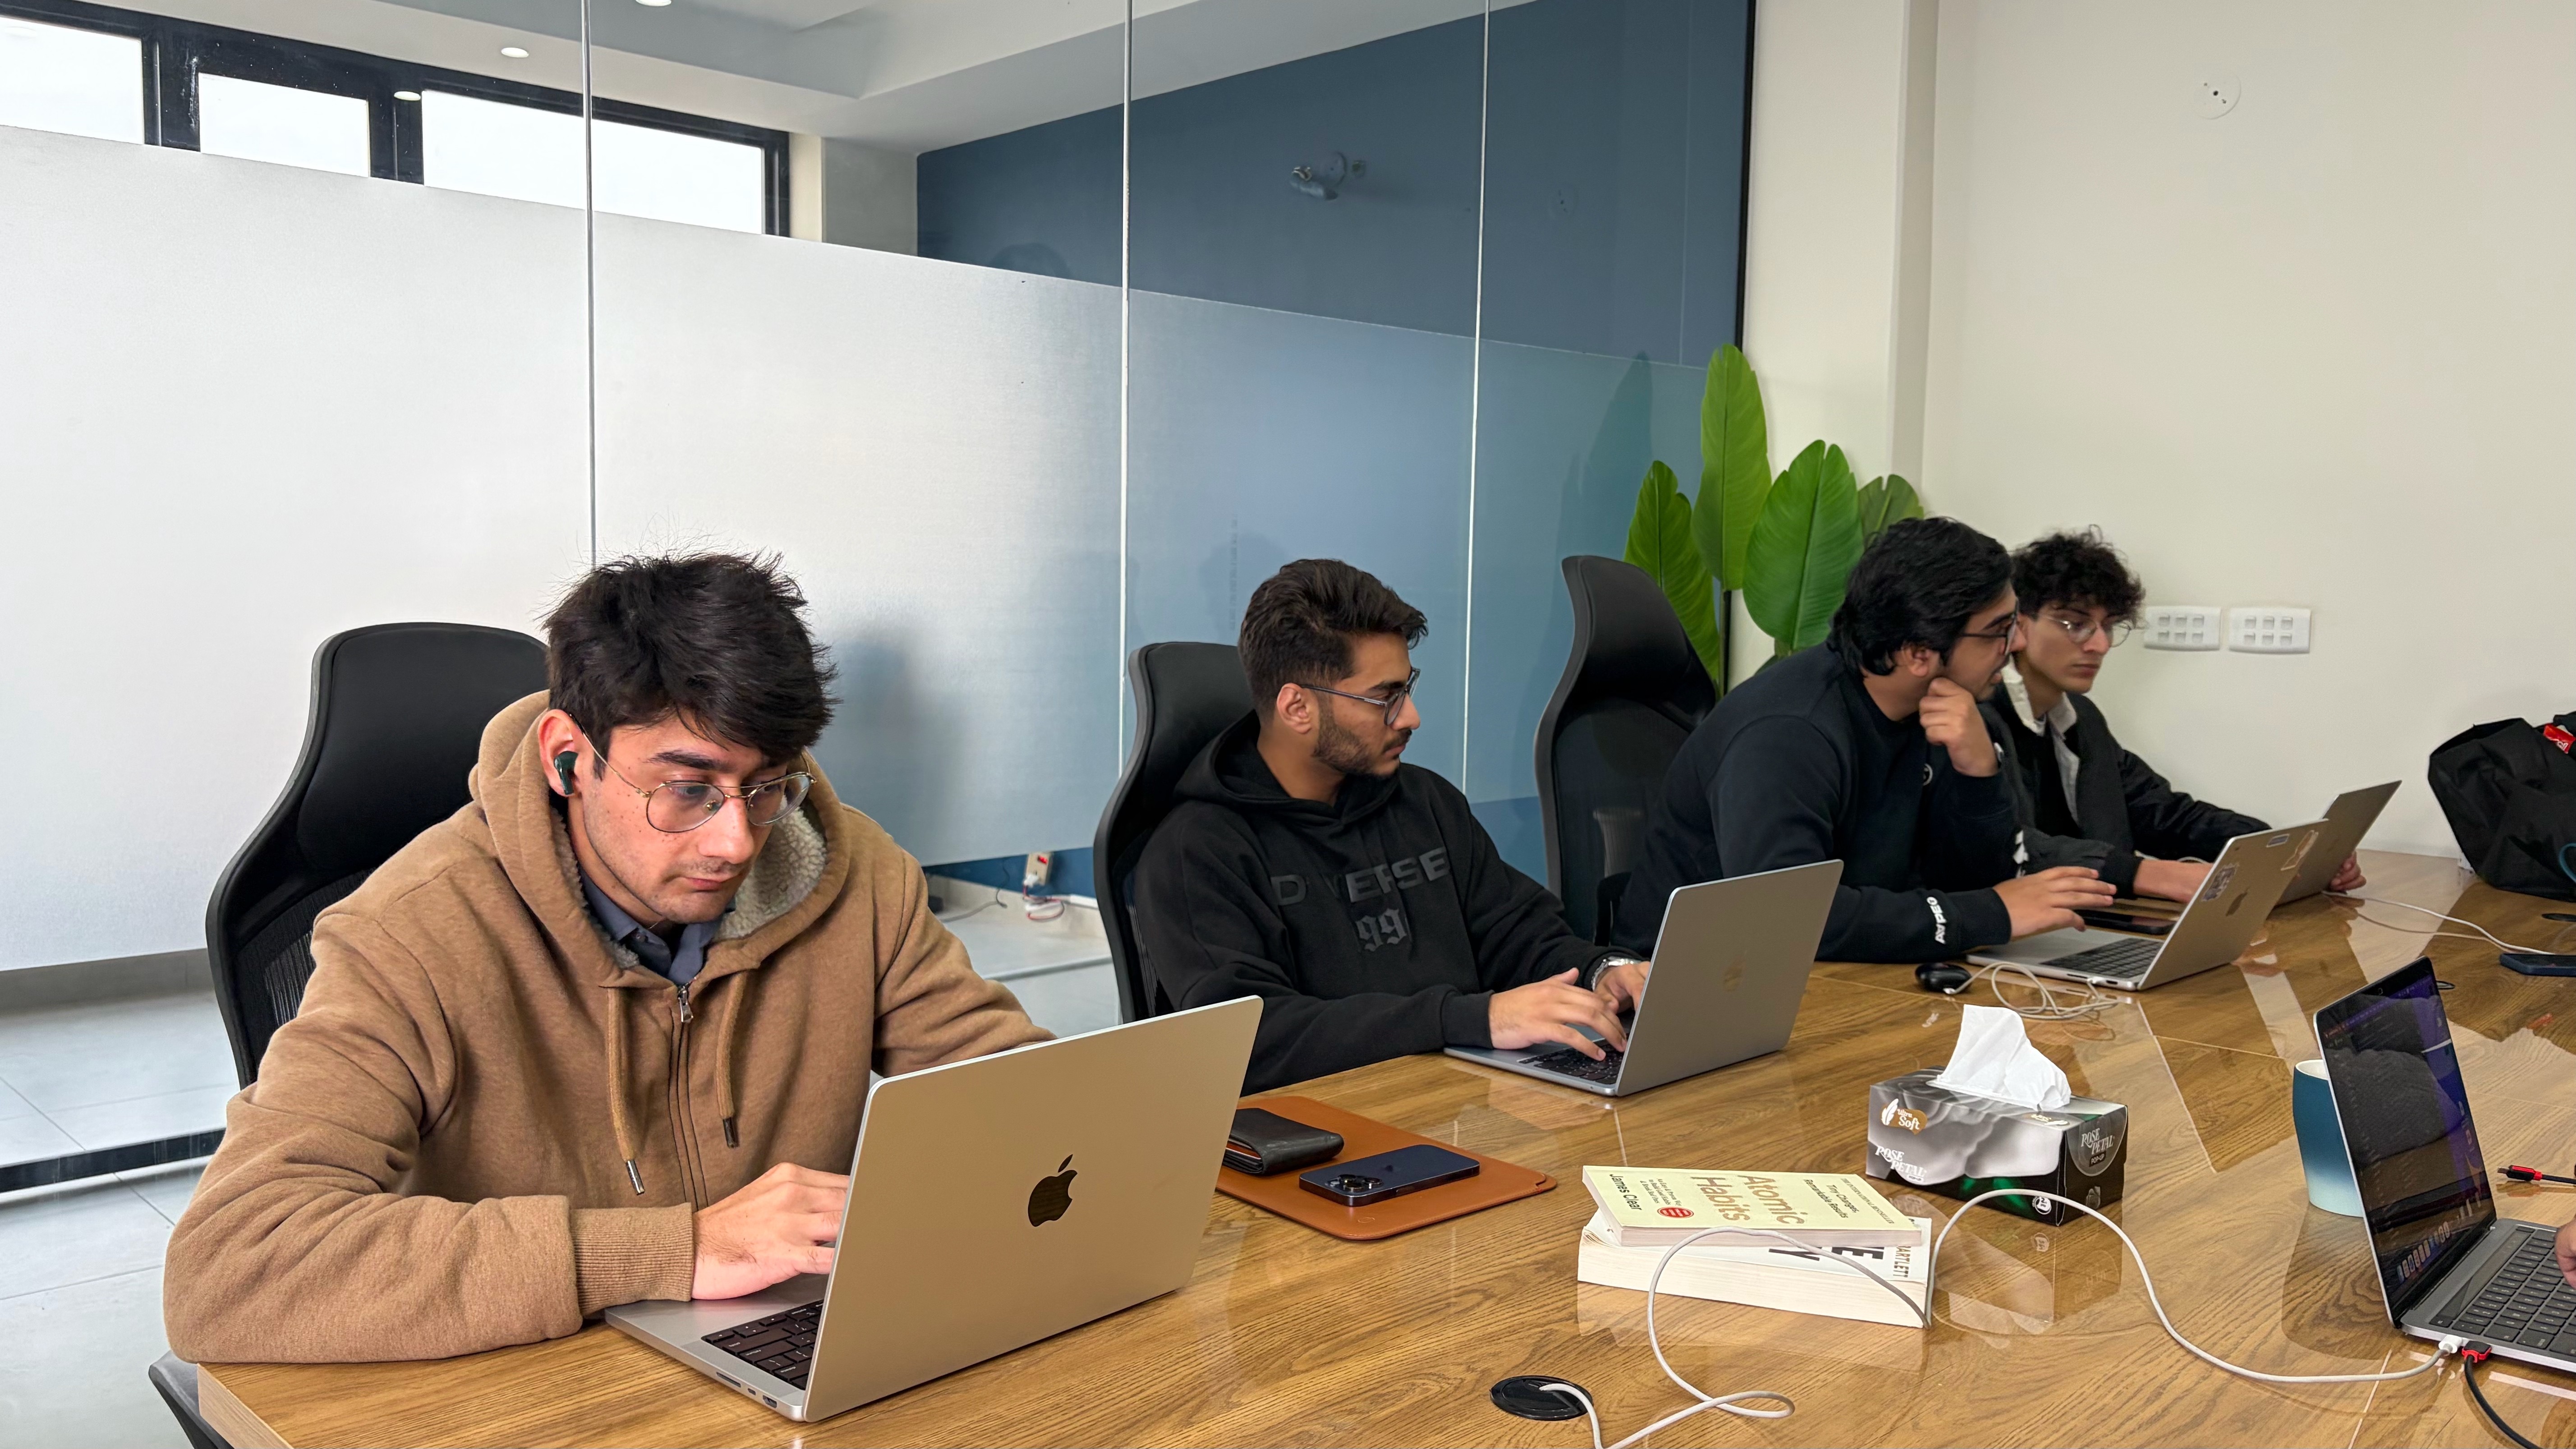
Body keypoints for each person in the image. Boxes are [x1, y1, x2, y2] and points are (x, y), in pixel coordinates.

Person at [163, 553, 1047, 1364]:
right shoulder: (412, 934)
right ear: (567, 758)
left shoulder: (854, 875)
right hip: (534, 1379)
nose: (737, 840)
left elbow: (1020, 1097)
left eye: (768, 785)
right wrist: (676, 1249)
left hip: (790, 1359)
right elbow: (232, 1268)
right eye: (687, 789)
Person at [1134, 559, 1650, 1093]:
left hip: (1461, 1104)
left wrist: (1601, 971)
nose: (1410, 718)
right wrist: (1472, 1019)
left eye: (1407, 689)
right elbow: (1251, 1039)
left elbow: (1517, 934)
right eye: (1384, 697)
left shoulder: (1425, 803)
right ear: (1297, 707)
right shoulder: (1196, 852)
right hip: (1323, 1133)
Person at [1616, 517, 2117, 964]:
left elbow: (1979, 883)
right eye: (1999, 631)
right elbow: (1791, 918)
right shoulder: (1787, 734)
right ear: (1919, 653)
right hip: (1698, 987)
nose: (2019, 645)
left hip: (1841, 974)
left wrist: (1978, 774)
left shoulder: (1948, 709)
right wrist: (1986, 914)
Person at [1983, 529, 2363, 902]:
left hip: (2091, 922)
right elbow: (2004, 843)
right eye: (2075, 624)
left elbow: (2165, 814)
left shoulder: (2080, 718)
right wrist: (2146, 873)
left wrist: (2282, 848)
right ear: (2017, 623)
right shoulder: (1977, 719)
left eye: (2109, 627)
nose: (2100, 645)